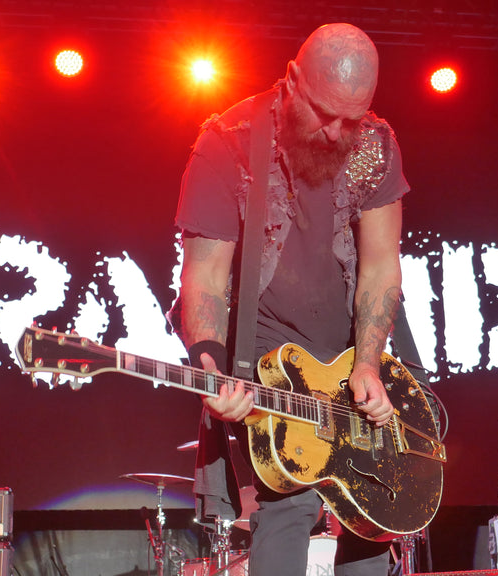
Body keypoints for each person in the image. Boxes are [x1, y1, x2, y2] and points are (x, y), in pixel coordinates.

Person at [172, 22, 409, 576]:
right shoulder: (228, 141)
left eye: (351, 118)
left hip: (350, 353)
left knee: (370, 518)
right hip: (265, 353)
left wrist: (369, 362)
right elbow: (204, 276)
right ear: (293, 80)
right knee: (288, 502)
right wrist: (209, 366)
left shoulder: (374, 142)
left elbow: (380, 265)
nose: (335, 132)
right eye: (325, 113)